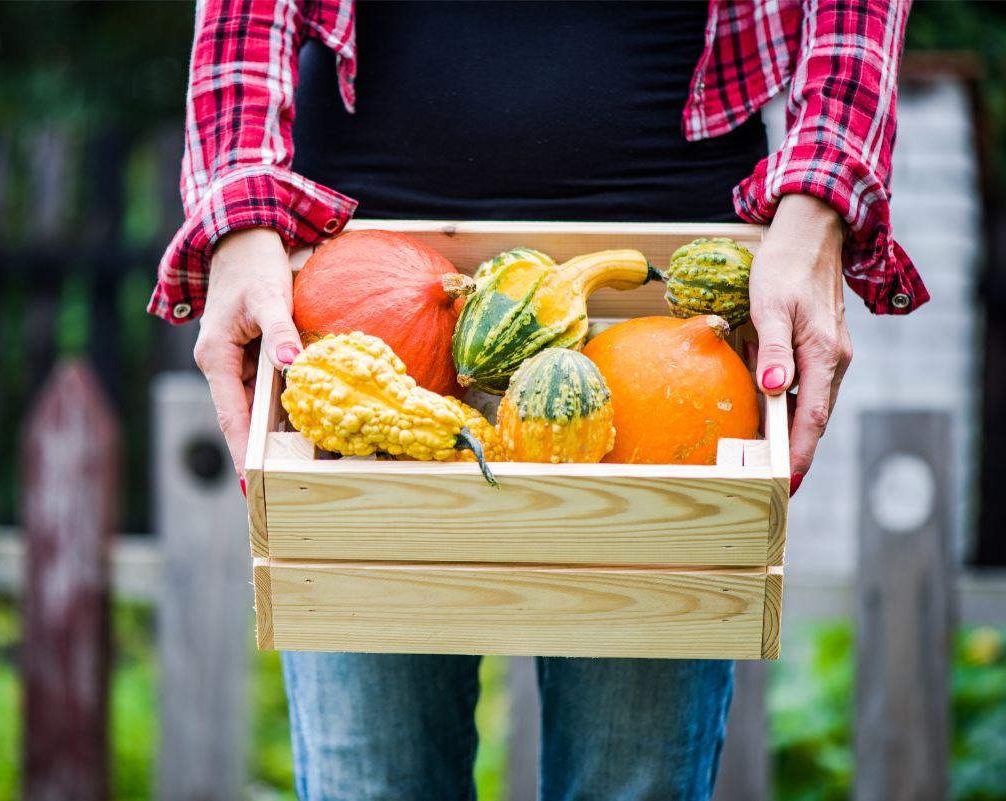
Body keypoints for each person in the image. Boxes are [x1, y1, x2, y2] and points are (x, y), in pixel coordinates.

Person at [151, 1, 926, 798]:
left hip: (665, 273)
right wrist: (240, 216)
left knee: (635, 785)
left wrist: (822, 197)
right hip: (364, 257)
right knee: (373, 785)